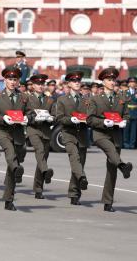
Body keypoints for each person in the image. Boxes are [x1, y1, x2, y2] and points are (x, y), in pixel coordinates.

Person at [87, 68, 133, 212]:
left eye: (113, 80)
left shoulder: (121, 97)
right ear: (103, 82)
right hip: (101, 134)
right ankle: (122, 165)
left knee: (111, 169)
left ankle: (108, 202)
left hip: (116, 134)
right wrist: (103, 122)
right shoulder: (95, 98)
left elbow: (126, 115)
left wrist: (125, 121)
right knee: (111, 150)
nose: (112, 82)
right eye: (109, 80)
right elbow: (90, 119)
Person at [0, 66, 28, 211]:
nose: (12, 82)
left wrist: (26, 118)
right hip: (3, 132)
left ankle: (8, 199)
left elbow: (31, 113)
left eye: (15, 79)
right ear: (5, 80)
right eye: (10, 79)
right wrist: (3, 118)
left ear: (18, 81)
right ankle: (17, 168)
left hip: (18, 133)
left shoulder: (24, 97)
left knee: (13, 167)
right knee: (11, 157)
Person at [56, 71, 90, 206]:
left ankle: (74, 194)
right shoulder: (62, 99)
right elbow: (59, 118)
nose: (77, 83)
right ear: (69, 84)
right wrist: (71, 119)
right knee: (74, 158)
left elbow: (91, 116)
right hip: (68, 133)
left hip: (82, 134)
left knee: (79, 163)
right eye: (74, 81)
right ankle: (82, 177)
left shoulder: (87, 99)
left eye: (78, 81)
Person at [25, 74, 56, 199]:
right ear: (33, 85)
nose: (40, 86)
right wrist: (33, 117)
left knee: (42, 158)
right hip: (33, 129)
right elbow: (24, 114)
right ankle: (46, 171)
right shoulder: (27, 98)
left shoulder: (49, 99)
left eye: (42, 84)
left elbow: (55, 115)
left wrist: (50, 118)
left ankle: (38, 188)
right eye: (38, 84)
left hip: (46, 131)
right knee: (39, 150)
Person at [123, 77, 137, 149]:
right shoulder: (125, 92)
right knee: (126, 130)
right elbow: (123, 104)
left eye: (134, 82)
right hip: (127, 112)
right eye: (131, 82)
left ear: (136, 84)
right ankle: (126, 144)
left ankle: (132, 144)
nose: (132, 84)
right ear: (128, 84)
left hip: (135, 112)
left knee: (134, 131)